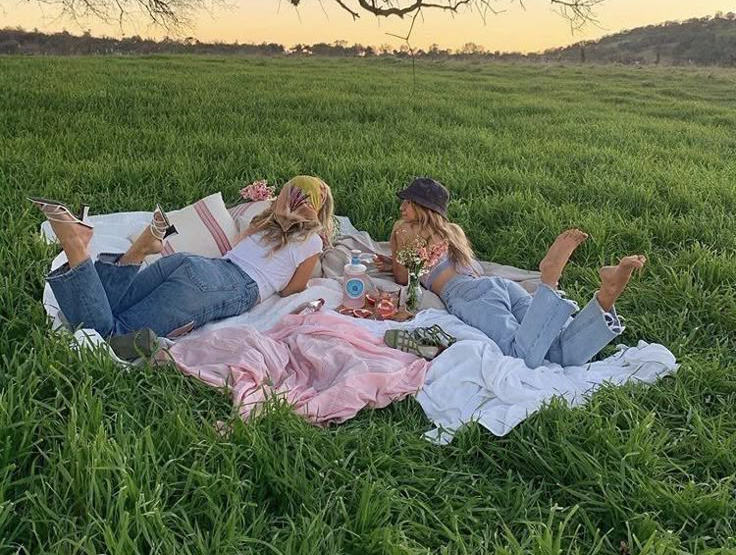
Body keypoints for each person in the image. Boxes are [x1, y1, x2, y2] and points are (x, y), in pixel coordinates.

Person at [380, 177, 646, 369]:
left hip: (466, 295)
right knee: (558, 350)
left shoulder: (404, 229)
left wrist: (393, 260)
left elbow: (404, 277)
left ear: (423, 207)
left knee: (519, 354)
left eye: (408, 202)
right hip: (499, 286)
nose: (402, 207)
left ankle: (549, 281)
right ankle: (605, 299)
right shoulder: (455, 231)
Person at [30, 176, 333, 342]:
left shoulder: (261, 222)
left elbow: (236, 244)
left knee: (111, 306)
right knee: (114, 335)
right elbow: (291, 289)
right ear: (319, 209)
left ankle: (140, 250)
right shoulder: (312, 241)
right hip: (224, 286)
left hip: (195, 264)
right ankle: (76, 245)